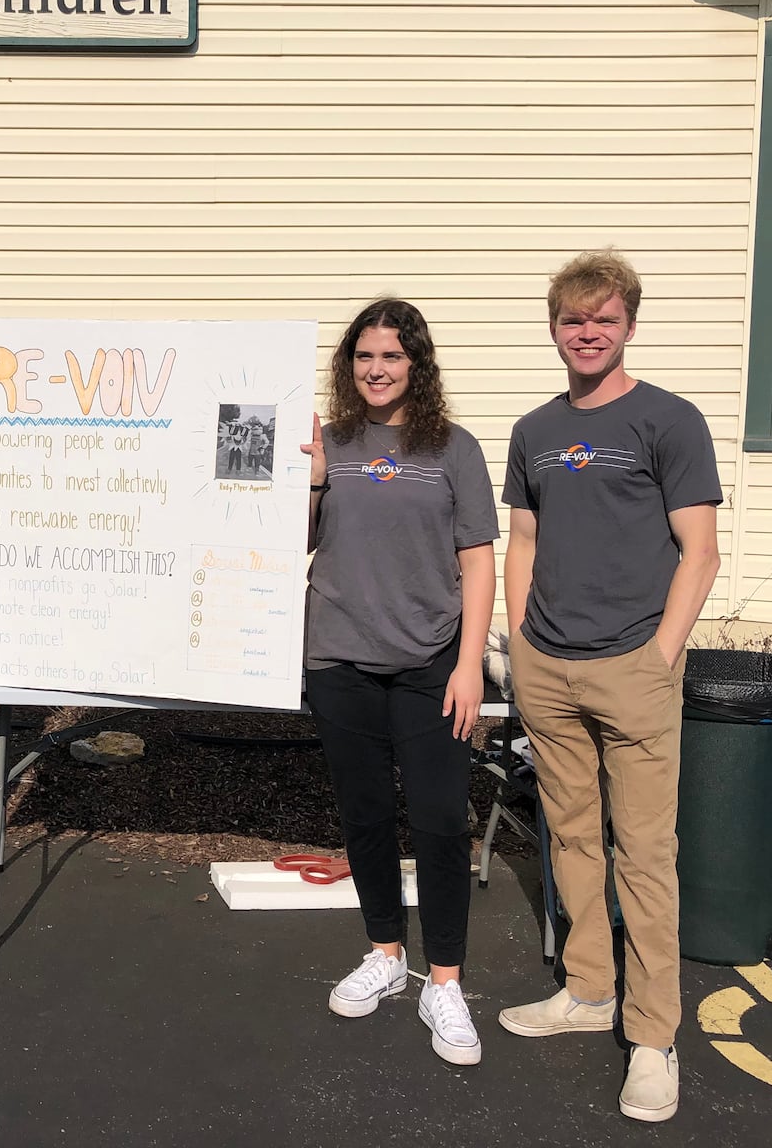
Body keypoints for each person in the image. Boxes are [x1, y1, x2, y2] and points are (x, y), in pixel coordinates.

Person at [497, 250, 721, 1121]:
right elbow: (522, 539)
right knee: (572, 843)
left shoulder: (669, 420)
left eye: (604, 319)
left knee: (647, 857)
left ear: (629, 324)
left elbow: (698, 552)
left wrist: (660, 656)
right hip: (548, 666)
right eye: (572, 320)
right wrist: (518, 644)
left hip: (634, 665)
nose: (588, 332)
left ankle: (655, 1037)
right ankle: (589, 993)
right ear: (553, 328)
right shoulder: (534, 431)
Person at [301, 297, 498, 1065]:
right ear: (349, 366)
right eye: (364, 357)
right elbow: (298, 542)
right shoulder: (332, 442)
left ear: (417, 364)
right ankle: (385, 953)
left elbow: (478, 558)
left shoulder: (453, 447)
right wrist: (314, 481)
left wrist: (469, 663)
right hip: (340, 658)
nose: (376, 370)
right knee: (366, 815)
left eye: (392, 356)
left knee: (443, 819)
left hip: (430, 665)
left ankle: (443, 981)